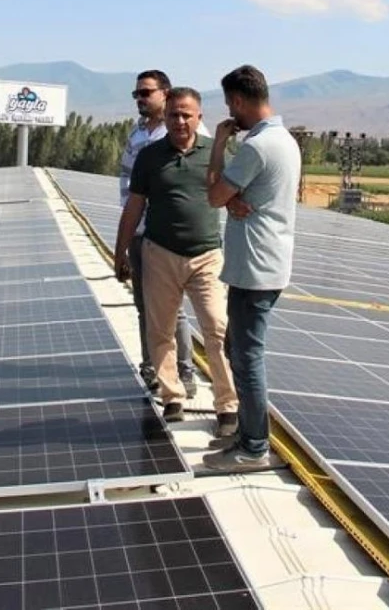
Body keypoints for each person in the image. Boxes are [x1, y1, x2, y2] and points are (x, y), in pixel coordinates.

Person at [114, 87, 239, 434]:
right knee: (160, 329)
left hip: (206, 256)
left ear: (199, 117)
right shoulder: (150, 156)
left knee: (217, 328)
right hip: (160, 254)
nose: (180, 120)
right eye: (173, 115)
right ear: (165, 117)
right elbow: (134, 206)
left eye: (187, 114)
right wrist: (120, 251)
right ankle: (172, 397)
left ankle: (227, 405)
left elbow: (232, 191)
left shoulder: (214, 152)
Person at [203, 65, 301, 472]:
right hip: (264, 264)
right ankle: (246, 437)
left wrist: (219, 143)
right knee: (237, 351)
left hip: (255, 268)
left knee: (247, 357)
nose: (230, 114)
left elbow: (212, 193)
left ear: (240, 101)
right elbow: (233, 196)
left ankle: (254, 448)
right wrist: (232, 199)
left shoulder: (256, 147)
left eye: (230, 105)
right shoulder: (285, 140)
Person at [118, 70, 207, 399]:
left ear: (165, 93)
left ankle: (184, 371)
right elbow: (127, 186)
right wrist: (127, 239)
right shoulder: (138, 133)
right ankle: (151, 364)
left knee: (175, 310)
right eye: (136, 94)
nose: (140, 99)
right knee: (145, 306)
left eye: (145, 93)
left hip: (171, 239)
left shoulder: (189, 132)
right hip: (141, 235)